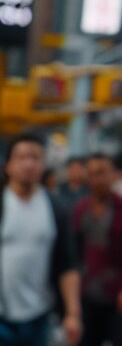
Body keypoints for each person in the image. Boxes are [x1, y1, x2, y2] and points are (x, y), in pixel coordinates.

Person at [0, 135, 81, 346]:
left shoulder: (56, 208)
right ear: (8, 165)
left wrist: (73, 314)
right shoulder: (3, 204)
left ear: (43, 165)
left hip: (39, 314)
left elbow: (67, 265)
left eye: (35, 157)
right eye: (22, 157)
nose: (29, 164)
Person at [72, 154, 122, 346]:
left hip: (119, 292)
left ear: (112, 174)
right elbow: (72, 251)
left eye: (102, 173)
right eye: (92, 174)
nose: (97, 179)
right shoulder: (80, 210)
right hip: (87, 293)